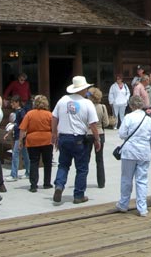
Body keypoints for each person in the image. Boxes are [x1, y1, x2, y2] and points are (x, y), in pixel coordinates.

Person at [51, 76, 100, 204]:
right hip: (79, 138)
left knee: (63, 164)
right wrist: (97, 139)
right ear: (83, 89)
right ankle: (78, 195)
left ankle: (59, 185)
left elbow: (54, 117)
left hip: (64, 137)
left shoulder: (63, 100)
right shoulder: (87, 103)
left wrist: (54, 133)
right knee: (82, 168)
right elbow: (93, 124)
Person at [115, 93, 151, 217]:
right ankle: (142, 208)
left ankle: (123, 204)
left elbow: (122, 134)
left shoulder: (128, 117)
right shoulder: (148, 119)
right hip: (144, 152)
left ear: (131, 105)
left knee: (126, 179)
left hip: (129, 152)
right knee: (142, 180)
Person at [19, 95, 53, 192]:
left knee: (34, 162)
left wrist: (21, 141)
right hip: (47, 139)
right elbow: (54, 128)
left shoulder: (29, 114)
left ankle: (33, 185)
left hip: (32, 140)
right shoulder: (49, 114)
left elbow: (22, 129)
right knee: (47, 162)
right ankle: (47, 183)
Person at [85, 87, 109, 189]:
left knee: (85, 159)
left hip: (88, 133)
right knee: (99, 159)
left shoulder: (86, 107)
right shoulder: (102, 107)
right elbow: (106, 123)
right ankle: (101, 182)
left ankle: (82, 180)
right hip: (100, 132)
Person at [4, 96, 30, 182]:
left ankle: (14, 174)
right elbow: (15, 124)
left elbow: (23, 125)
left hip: (20, 136)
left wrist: (21, 137)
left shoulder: (21, 112)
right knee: (25, 154)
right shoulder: (17, 112)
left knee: (15, 154)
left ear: (17, 102)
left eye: (13, 102)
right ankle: (28, 172)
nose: (12, 104)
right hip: (18, 135)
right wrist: (8, 133)